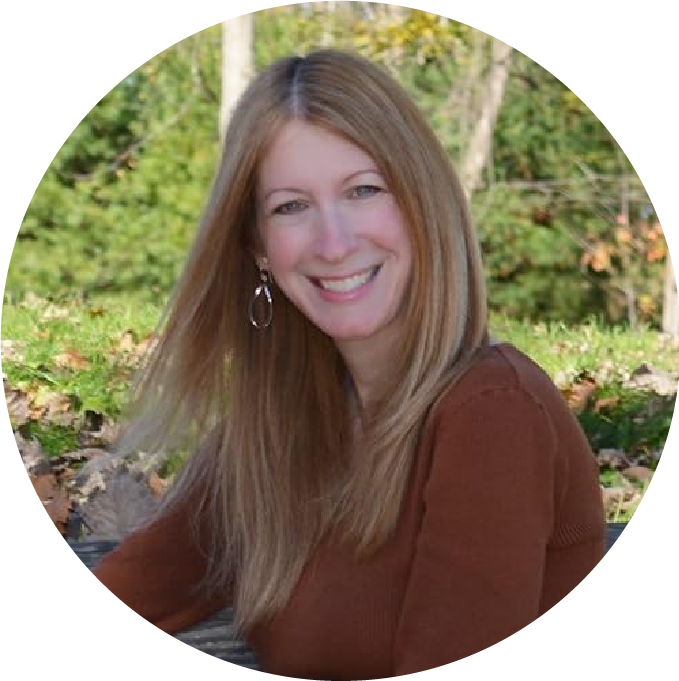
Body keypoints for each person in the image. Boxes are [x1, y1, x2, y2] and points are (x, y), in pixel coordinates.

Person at [93, 48, 605, 678]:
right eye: (290, 206)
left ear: (423, 206)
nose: (334, 243)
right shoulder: (277, 432)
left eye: (363, 190)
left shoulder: (492, 414)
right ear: (257, 246)